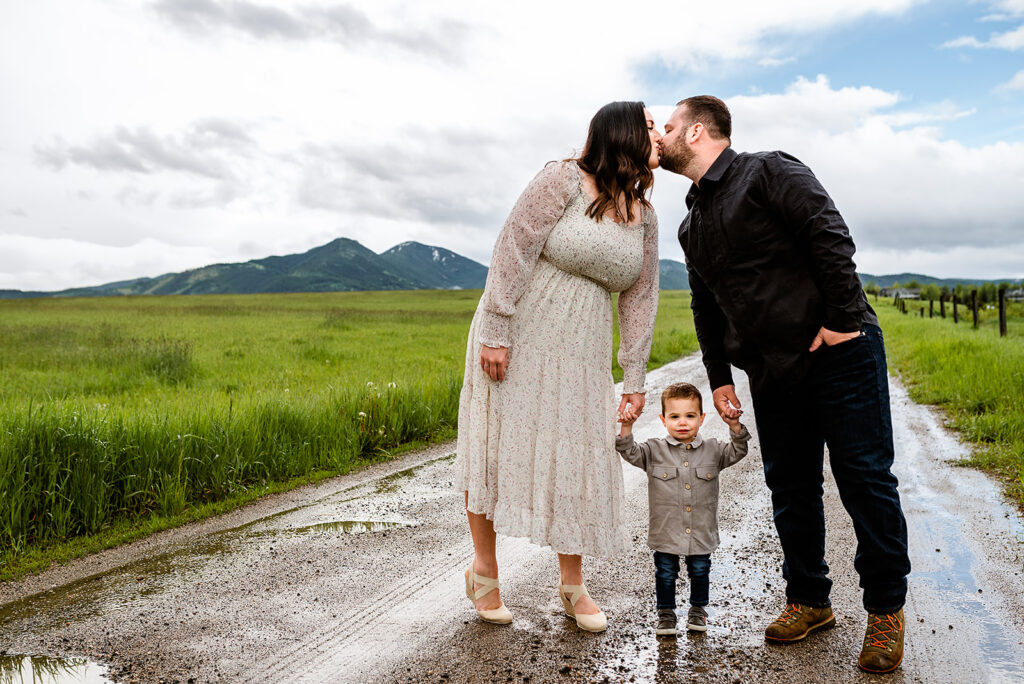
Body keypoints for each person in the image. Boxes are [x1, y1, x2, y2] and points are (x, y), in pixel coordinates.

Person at [659, 95, 910, 673]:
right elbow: (705, 305)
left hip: (838, 358)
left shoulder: (768, 170)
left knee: (865, 482)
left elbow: (829, 234)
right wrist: (719, 377)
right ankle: (809, 600)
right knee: (791, 489)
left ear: (697, 131)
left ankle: (886, 612)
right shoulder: (689, 223)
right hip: (770, 371)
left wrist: (845, 319)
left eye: (668, 126)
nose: (661, 135)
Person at [455, 101, 663, 633]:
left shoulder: (646, 215)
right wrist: (497, 329)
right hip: (519, 336)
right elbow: (513, 247)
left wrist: (635, 379)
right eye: (649, 128)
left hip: (582, 352)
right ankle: (484, 570)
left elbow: (641, 299)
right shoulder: (563, 180)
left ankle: (572, 584)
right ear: (623, 136)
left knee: (578, 454)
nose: (659, 136)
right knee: (495, 445)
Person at [616, 382, 749, 636]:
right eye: (675, 417)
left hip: (700, 530)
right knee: (665, 572)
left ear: (701, 418)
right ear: (663, 419)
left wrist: (734, 426)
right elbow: (628, 451)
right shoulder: (654, 450)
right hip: (666, 531)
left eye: (690, 416)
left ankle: (698, 610)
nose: (682, 422)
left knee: (700, 570)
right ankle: (666, 615)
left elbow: (738, 450)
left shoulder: (713, 449)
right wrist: (627, 425)